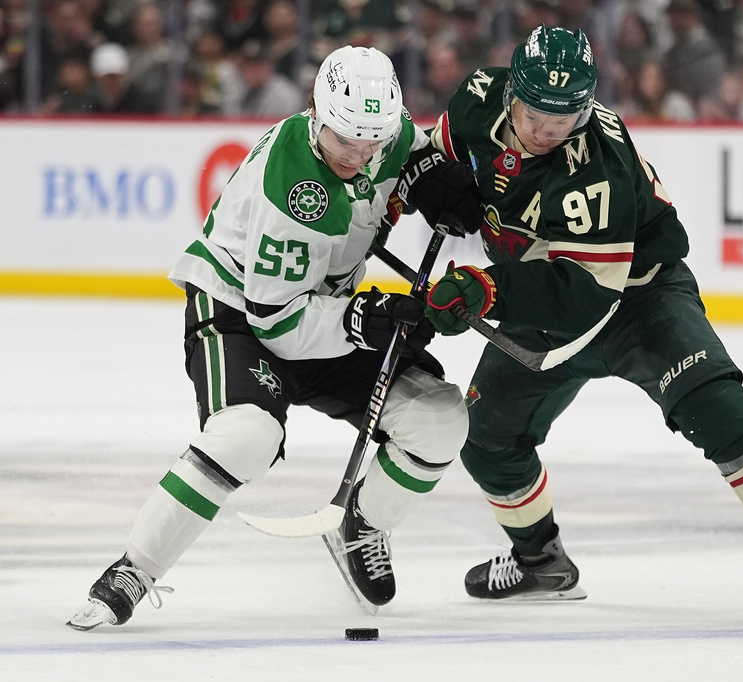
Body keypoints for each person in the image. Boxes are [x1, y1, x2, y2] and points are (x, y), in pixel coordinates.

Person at [422, 24, 743, 624]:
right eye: (535, 115)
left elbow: (583, 295)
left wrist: (487, 288)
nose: (547, 131)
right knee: (486, 436)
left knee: (719, 407)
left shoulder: (596, 165)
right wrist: (417, 185)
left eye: (564, 119)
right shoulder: (478, 97)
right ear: (511, 93)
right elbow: (429, 155)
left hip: (637, 298)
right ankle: (539, 561)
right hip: (540, 294)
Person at [67, 45, 484, 630]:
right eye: (344, 141)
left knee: (439, 421)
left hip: (321, 308)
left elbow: (413, 148)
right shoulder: (293, 189)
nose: (357, 155)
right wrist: (365, 320)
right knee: (246, 436)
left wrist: (429, 175)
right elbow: (280, 325)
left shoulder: (380, 134)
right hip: (242, 312)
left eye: (371, 143)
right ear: (317, 112)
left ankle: (363, 523)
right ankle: (135, 567)